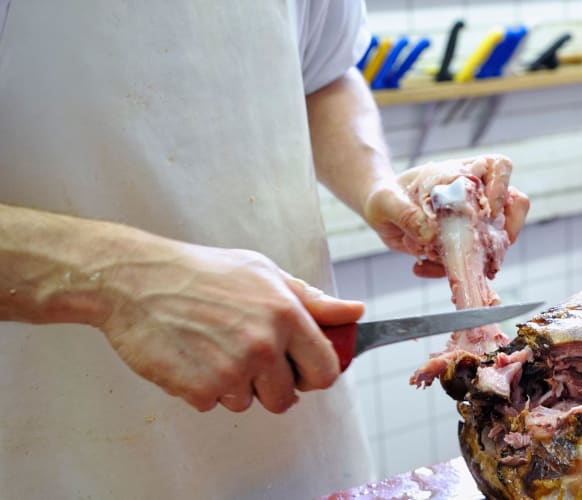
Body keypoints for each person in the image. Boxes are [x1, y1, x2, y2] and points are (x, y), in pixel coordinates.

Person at [0, 1, 528, 498]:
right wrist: (120, 282)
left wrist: (378, 187)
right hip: (60, 445)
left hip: (302, 434)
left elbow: (323, 75)